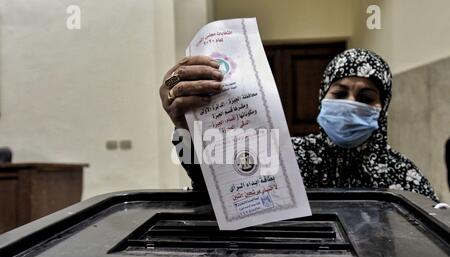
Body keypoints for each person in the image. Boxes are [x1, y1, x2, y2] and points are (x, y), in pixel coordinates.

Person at [159, 48, 439, 202]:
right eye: (340, 94)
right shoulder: (287, 156)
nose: (351, 104)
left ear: (383, 108)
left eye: (366, 98)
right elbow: (212, 180)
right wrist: (186, 129)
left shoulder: (402, 175)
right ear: (322, 99)